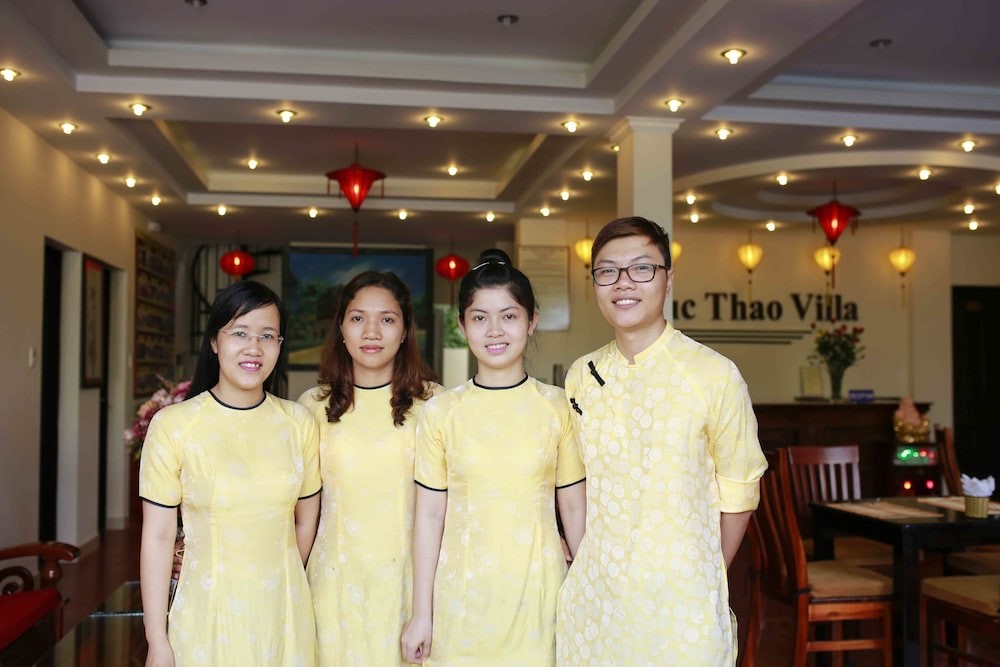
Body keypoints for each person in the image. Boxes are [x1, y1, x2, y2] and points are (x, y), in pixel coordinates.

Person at [556, 216, 767, 666]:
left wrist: (704, 573)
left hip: (682, 603)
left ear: (668, 279)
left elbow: (741, 489)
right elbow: (572, 482)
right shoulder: (581, 377)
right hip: (596, 602)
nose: (623, 282)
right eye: (607, 271)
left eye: (641, 268)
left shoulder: (713, 375)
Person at [401, 249, 587, 666]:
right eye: (480, 317)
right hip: (460, 601)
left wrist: (591, 593)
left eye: (509, 315)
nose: (495, 330)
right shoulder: (442, 412)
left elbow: (574, 508)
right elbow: (429, 517)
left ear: (532, 320)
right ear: (462, 325)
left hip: (540, 599)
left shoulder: (557, 407)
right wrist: (421, 614)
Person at [140, 280, 321, 667]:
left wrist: (279, 573)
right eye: (239, 333)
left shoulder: (298, 423)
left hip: (283, 614)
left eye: (267, 335)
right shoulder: (174, 425)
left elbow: (306, 522)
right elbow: (158, 536)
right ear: (214, 342)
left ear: (280, 345)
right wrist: (157, 639)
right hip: (206, 613)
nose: (254, 347)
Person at [298, 271, 438, 666]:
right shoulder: (311, 407)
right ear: (341, 328)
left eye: (387, 319)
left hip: (412, 587)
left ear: (405, 330)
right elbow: (291, 508)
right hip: (333, 586)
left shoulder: (436, 406)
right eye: (358, 318)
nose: (371, 332)